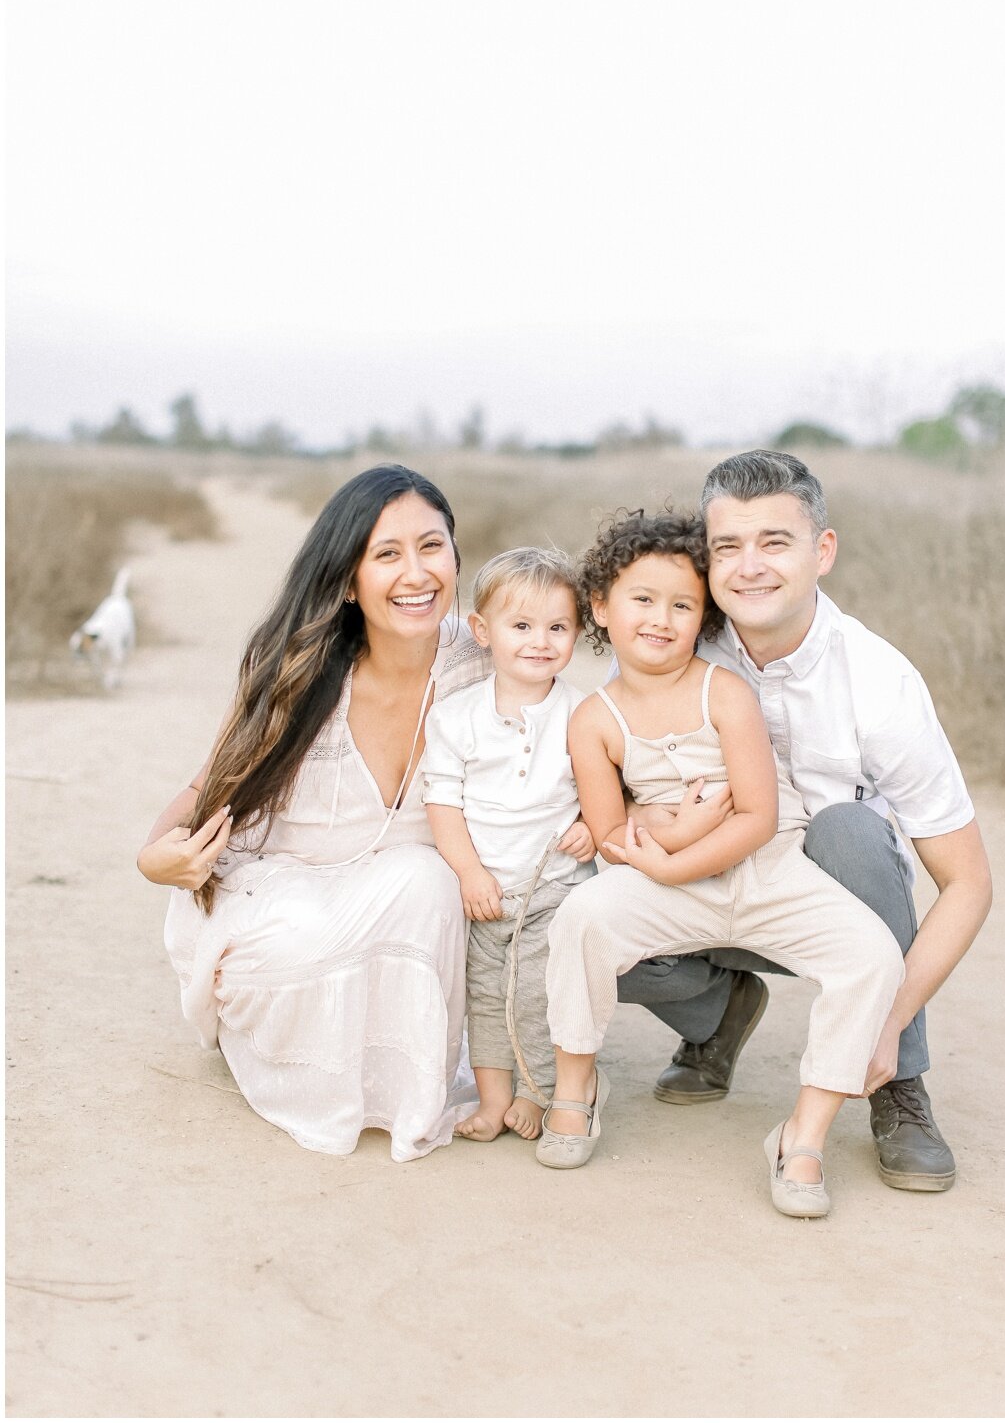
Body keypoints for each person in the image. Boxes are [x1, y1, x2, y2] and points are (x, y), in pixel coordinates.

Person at [621, 450, 993, 1195]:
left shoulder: (879, 680)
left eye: (775, 542)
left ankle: (900, 1084)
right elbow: (614, 764)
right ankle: (716, 1013)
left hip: (835, 903)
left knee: (849, 828)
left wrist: (888, 1016)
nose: (749, 566)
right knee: (593, 892)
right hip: (718, 882)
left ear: (822, 550)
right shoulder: (680, 642)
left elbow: (969, 882)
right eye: (728, 545)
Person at [540, 511, 904, 1210]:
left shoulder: (724, 691)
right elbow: (611, 830)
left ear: (704, 618)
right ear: (601, 606)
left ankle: (802, 1135)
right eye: (642, 599)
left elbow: (760, 815)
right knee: (584, 917)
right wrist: (676, 847)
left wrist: (676, 854)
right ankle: (576, 1083)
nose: (662, 618)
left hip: (768, 869)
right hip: (666, 880)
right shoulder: (594, 718)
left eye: (684, 605)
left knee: (872, 957)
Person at [137, 466, 490, 1162]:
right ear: (348, 575)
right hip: (278, 898)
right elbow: (205, 789)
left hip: (398, 895)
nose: (416, 572)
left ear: (455, 554)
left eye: (432, 546)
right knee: (307, 934)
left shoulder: (480, 663)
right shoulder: (300, 668)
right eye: (386, 553)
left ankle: (399, 1089)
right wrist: (154, 857)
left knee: (427, 878)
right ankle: (277, 1042)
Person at [422, 546, 594, 1142]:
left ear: (577, 633)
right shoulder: (455, 717)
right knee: (485, 997)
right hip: (485, 891)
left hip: (554, 889)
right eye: (520, 626)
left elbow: (608, 787)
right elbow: (442, 802)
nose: (539, 641)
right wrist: (469, 873)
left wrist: (595, 827)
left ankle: (540, 1093)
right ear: (483, 631)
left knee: (542, 995)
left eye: (557, 627)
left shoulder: (583, 713)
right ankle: (494, 1100)